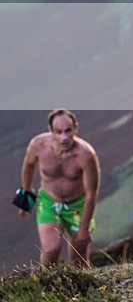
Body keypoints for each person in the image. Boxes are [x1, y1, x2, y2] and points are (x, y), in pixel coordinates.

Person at [17, 108, 101, 266]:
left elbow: (91, 193)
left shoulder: (86, 155)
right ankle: (47, 287)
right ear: (50, 130)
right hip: (49, 201)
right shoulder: (38, 145)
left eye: (68, 131)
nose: (64, 137)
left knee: (79, 255)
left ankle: (82, 288)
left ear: (76, 128)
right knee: (50, 250)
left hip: (77, 205)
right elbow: (28, 166)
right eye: (58, 132)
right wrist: (25, 199)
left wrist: (84, 229)